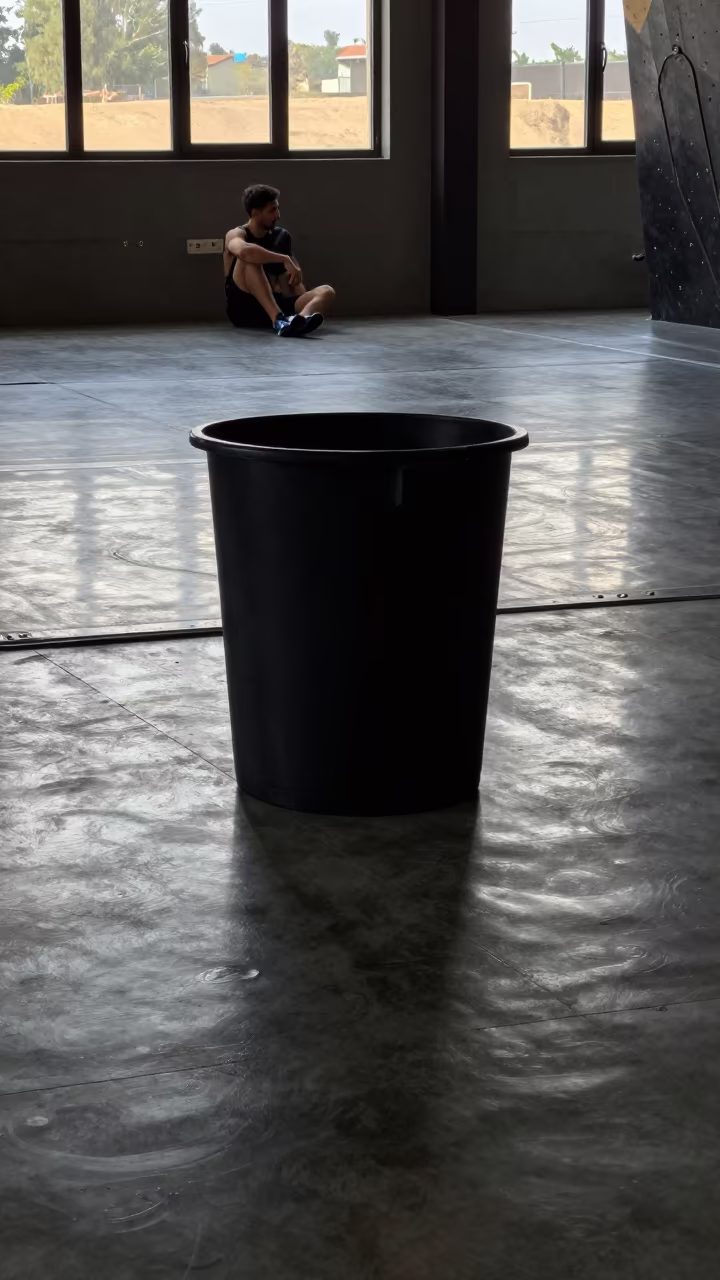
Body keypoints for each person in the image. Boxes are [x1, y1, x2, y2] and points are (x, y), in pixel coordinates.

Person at [224, 184, 335, 337]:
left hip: (277, 303)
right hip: (244, 310)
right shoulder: (236, 234)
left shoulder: (282, 236)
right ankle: (278, 320)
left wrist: (305, 300)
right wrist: (284, 258)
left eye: (277, 208)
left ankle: (299, 321)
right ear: (255, 213)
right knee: (248, 259)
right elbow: (244, 251)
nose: (278, 215)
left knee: (326, 291)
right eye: (272, 210)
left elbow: (293, 278)